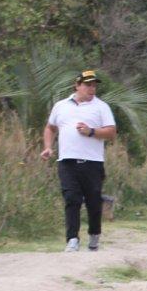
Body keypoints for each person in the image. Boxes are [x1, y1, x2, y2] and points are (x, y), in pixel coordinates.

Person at [41, 70, 117, 252]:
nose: (92, 89)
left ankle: (94, 234)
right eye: (87, 85)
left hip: (92, 162)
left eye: (94, 85)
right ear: (77, 85)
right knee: (71, 198)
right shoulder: (61, 106)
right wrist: (48, 146)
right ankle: (72, 239)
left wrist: (91, 131)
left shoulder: (101, 107)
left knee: (93, 201)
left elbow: (111, 132)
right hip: (67, 161)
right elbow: (50, 128)